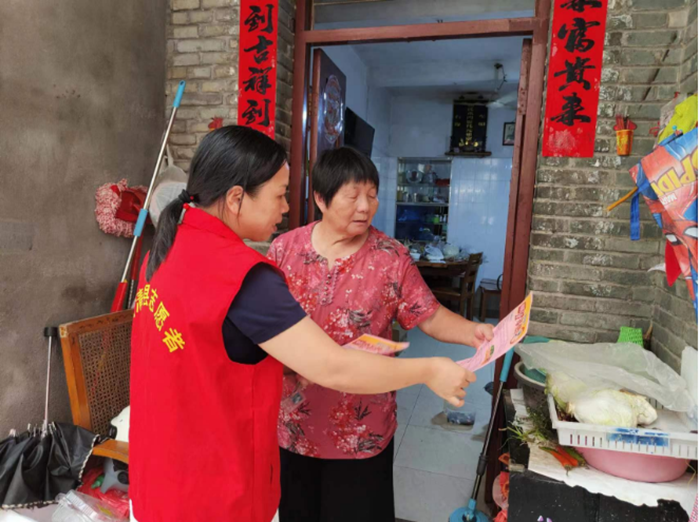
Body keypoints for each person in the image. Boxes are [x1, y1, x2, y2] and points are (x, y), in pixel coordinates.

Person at [129, 126, 476, 522]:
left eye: (371, 195)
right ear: (237, 198)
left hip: (165, 471)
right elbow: (331, 366)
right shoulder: (246, 273)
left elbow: (216, 347)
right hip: (216, 480)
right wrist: (429, 370)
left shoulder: (167, 249)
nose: (285, 207)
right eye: (279, 194)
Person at [268, 146, 495, 522]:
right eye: (353, 196)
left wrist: (474, 331)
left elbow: (429, 314)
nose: (365, 207)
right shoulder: (284, 250)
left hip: (363, 430)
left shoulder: (391, 256)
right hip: (293, 423)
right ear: (321, 198)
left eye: (372, 195)